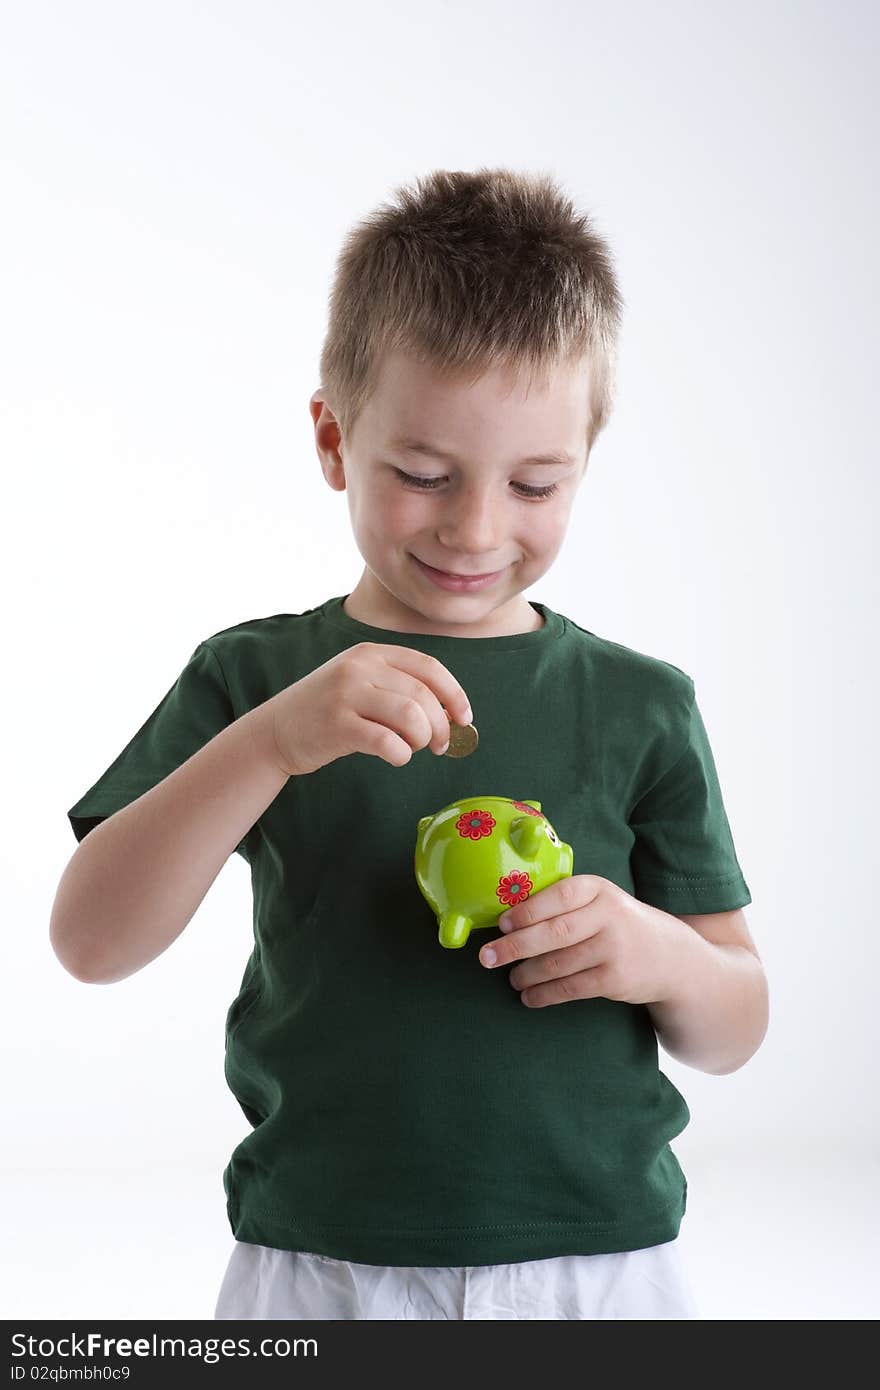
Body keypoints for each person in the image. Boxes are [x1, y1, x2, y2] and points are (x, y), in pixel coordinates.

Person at [51, 167, 768, 1321]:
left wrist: (655, 953)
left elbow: (735, 1025)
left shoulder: (640, 703)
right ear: (334, 439)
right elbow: (89, 940)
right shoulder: (255, 680)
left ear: (586, 457)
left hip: (598, 1264)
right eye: (422, 474)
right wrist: (270, 744)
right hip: (321, 1264)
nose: (476, 527)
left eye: (536, 481)